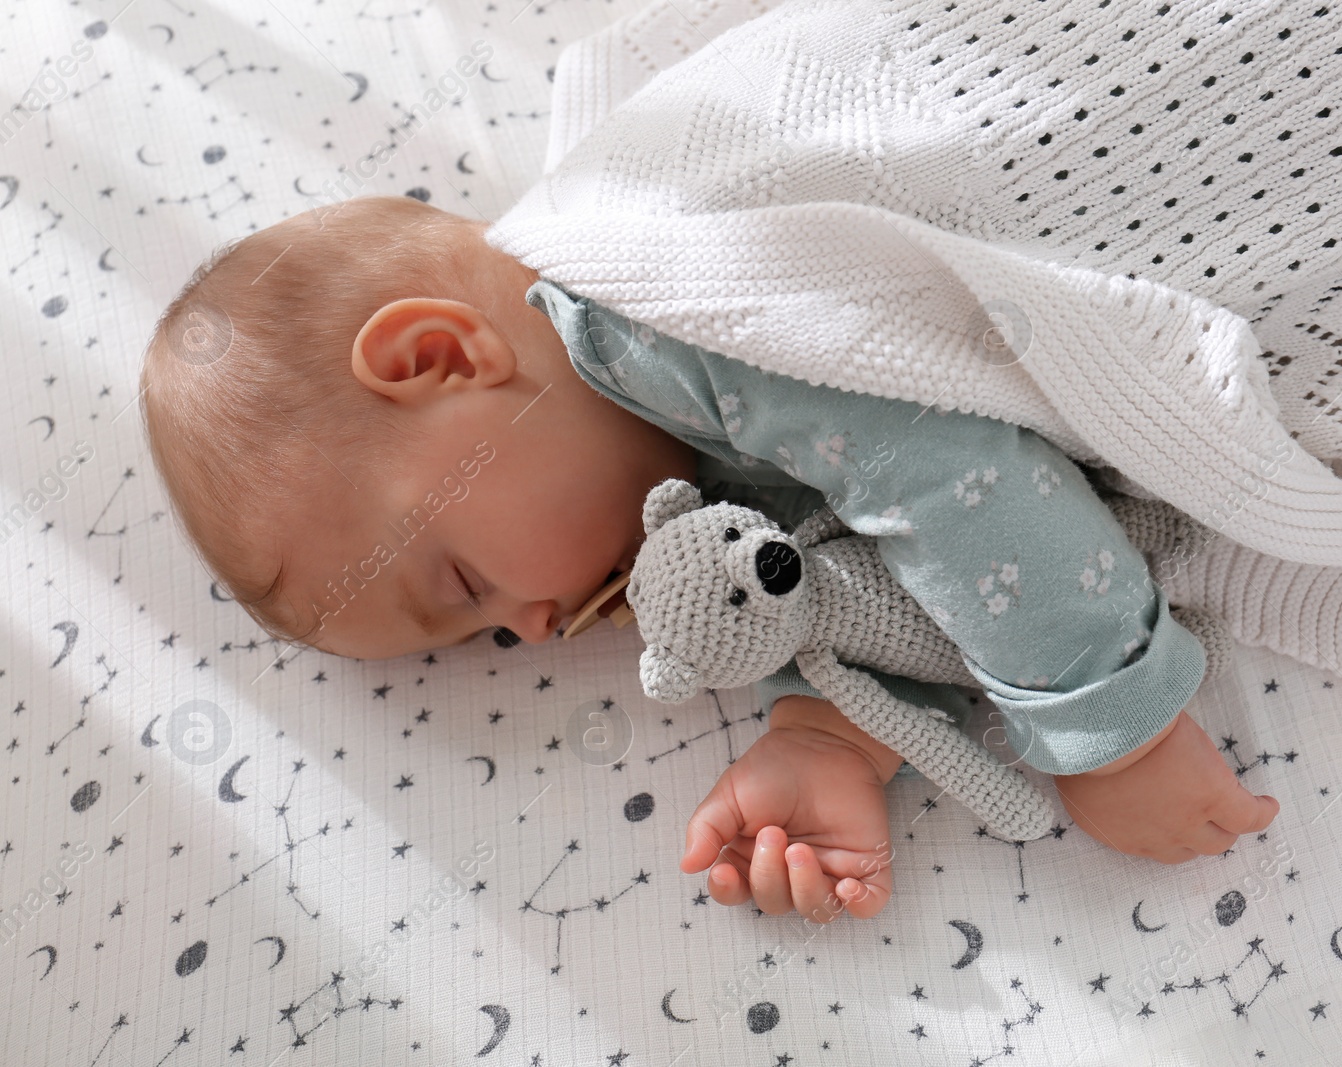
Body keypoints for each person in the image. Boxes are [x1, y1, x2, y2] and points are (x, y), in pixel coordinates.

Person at [139, 194, 1278, 925]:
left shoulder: (651, 314)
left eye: (461, 583)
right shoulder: (680, 455)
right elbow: (842, 568)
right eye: (486, 634)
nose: (531, 630)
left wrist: (1112, 729)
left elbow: (948, 476)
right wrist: (826, 734)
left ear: (439, 354)